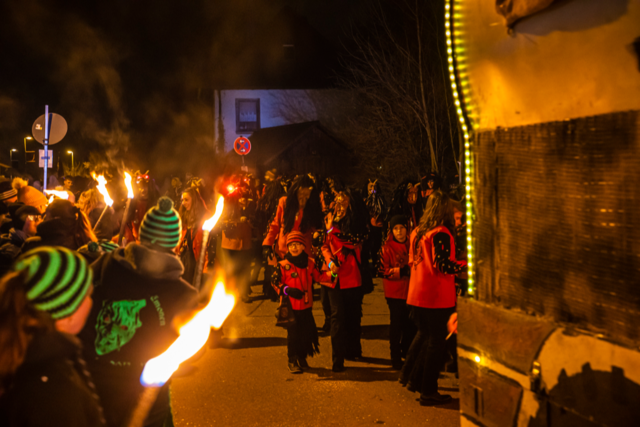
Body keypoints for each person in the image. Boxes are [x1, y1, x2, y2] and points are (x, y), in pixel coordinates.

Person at [79, 196, 198, 427]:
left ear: (142, 236)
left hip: (94, 380)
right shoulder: (180, 293)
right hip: (144, 397)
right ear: (177, 241)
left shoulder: (106, 263)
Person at [0, 247, 105, 426]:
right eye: (88, 294)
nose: (92, 302)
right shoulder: (53, 394)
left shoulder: (21, 351)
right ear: (67, 314)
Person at [399, 190, 467, 406]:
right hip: (435, 296)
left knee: (424, 336)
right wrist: (468, 266)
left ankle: (411, 377)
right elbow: (443, 264)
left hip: (416, 293)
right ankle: (428, 390)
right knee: (435, 343)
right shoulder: (441, 233)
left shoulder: (418, 231)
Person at [317, 188, 369, 372]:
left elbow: (352, 241)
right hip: (333, 276)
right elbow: (324, 245)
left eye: (343, 202)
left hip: (352, 275)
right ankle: (337, 359)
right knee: (337, 317)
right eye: (337, 202)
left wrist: (333, 230)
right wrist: (330, 262)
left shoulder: (357, 223)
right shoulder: (331, 220)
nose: (338, 207)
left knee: (353, 315)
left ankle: (353, 349)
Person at [272, 231, 331, 373]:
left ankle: (302, 357)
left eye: (298, 244)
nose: (294, 247)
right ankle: (292, 359)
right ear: (287, 247)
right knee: (293, 335)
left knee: (305, 334)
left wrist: (333, 273)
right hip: (290, 307)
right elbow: (275, 283)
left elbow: (320, 277)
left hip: (306, 306)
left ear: (304, 247)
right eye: (291, 245)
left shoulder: (310, 263)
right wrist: (287, 290)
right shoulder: (282, 265)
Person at [379, 215, 416, 370]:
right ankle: (395, 357)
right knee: (396, 325)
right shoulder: (386, 248)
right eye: (396, 228)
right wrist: (400, 271)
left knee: (409, 325)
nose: (399, 231)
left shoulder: (413, 245)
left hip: (410, 291)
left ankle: (407, 353)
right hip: (394, 292)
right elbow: (382, 270)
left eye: (401, 228)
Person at [22, 199, 97, 252]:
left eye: (46, 215)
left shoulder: (33, 245)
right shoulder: (85, 244)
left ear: (55, 219)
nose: (43, 219)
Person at [176, 186, 210, 285]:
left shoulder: (205, 218)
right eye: (182, 200)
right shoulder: (183, 216)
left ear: (194, 200)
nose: (183, 203)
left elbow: (208, 245)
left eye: (186, 200)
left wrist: (205, 268)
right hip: (184, 260)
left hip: (198, 261)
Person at [0, 205, 43, 275]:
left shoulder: (33, 243)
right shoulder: (13, 250)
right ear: (23, 223)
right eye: (35, 219)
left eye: (40, 218)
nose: (40, 222)